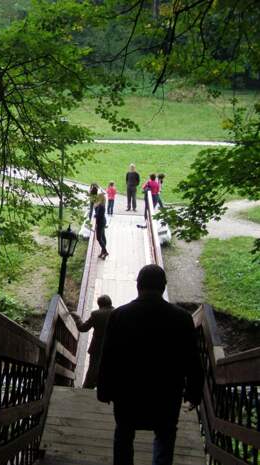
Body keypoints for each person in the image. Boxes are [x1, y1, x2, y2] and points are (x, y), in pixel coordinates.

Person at [97, 265, 204, 465]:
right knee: (165, 436)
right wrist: (193, 392)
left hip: (127, 392)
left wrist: (104, 389)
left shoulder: (119, 315)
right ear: (163, 287)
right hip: (166, 393)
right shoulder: (182, 318)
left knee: (124, 434)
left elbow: (108, 356)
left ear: (138, 286)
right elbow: (192, 358)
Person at [71, 295, 114, 389]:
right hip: (111, 347)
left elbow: (83, 328)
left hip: (97, 347)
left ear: (99, 305)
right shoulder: (117, 313)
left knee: (93, 368)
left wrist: (77, 318)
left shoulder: (96, 314)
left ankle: (88, 387)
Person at [94, 193, 108, 259]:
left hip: (100, 223)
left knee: (99, 238)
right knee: (103, 237)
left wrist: (95, 216)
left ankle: (105, 251)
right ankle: (103, 252)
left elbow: (99, 215)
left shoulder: (101, 206)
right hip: (102, 222)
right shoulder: (101, 205)